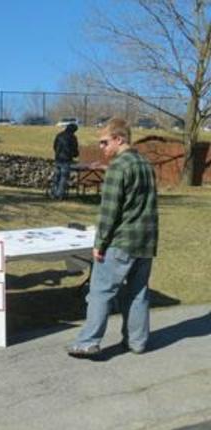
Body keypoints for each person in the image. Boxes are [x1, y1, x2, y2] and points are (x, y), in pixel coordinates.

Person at [68, 118, 158, 358]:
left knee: (99, 292)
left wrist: (99, 244)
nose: (101, 147)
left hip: (120, 242)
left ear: (120, 139)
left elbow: (109, 212)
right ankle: (137, 342)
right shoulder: (146, 165)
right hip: (146, 242)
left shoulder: (118, 167)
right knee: (138, 293)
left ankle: (88, 342)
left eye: (104, 142)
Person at [51, 123, 79, 199]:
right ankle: (59, 194)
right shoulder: (72, 137)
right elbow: (75, 150)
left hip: (58, 159)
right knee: (63, 178)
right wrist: (75, 154)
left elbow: (54, 146)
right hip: (66, 160)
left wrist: (57, 153)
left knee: (56, 176)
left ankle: (53, 193)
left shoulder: (59, 135)